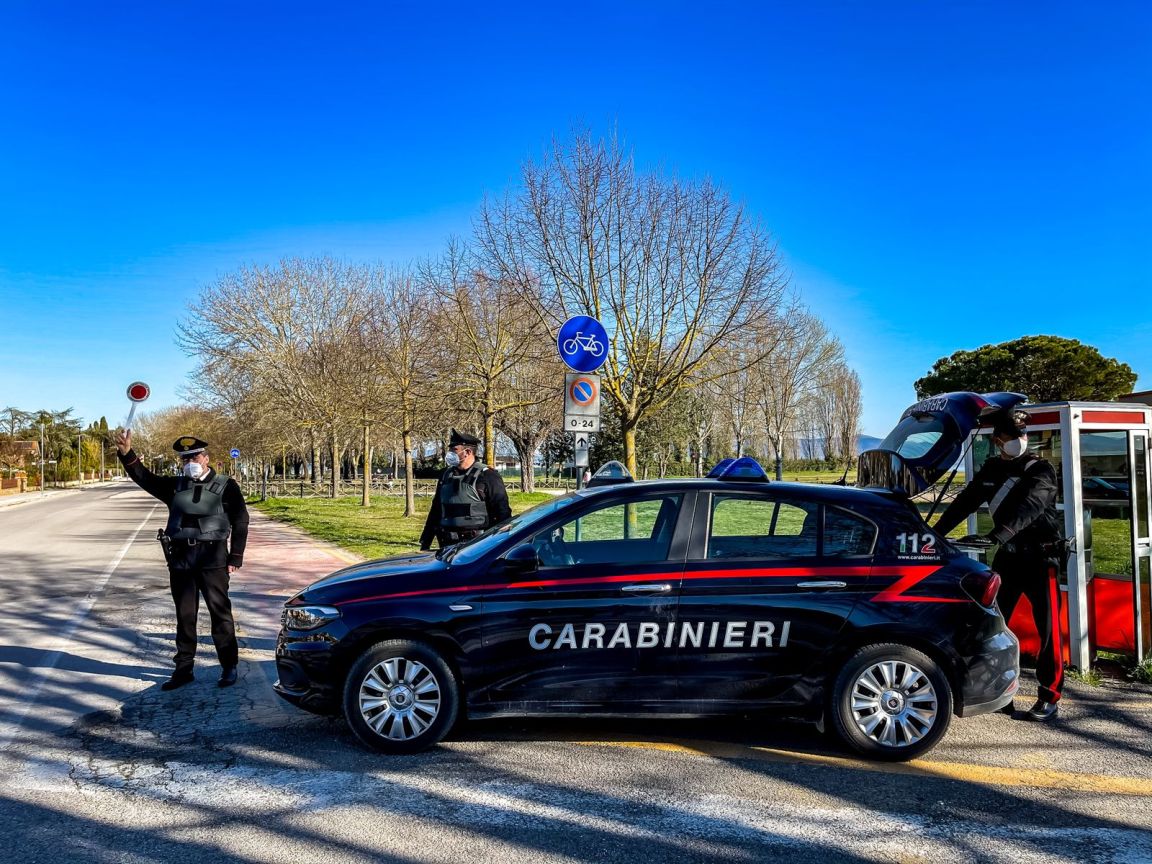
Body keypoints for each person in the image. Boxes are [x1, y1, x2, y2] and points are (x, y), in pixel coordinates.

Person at [934, 410, 1065, 721]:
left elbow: (1030, 507)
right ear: (997, 441)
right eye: (1011, 436)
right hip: (1008, 557)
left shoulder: (1041, 469)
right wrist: (934, 533)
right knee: (991, 625)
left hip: (1041, 559)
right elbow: (965, 502)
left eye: (1022, 435)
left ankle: (1049, 696)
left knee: (1049, 631)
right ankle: (997, 692)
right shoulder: (992, 469)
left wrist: (997, 535)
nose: (1019, 440)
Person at [115, 431, 249, 691]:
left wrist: (236, 556)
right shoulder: (175, 486)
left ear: (206, 458)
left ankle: (228, 665)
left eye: (194, 457)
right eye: (185, 459)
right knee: (185, 616)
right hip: (182, 560)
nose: (190, 462)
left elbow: (241, 521)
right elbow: (144, 478)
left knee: (220, 614)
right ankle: (183, 669)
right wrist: (126, 453)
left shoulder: (226, 485)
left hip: (213, 559)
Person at [419, 429, 511, 551]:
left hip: (477, 545)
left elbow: (502, 511)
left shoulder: (488, 475)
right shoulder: (446, 476)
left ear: (467, 452)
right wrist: (426, 541)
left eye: (454, 450)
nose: (450, 453)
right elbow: (436, 510)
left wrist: (499, 544)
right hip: (447, 545)